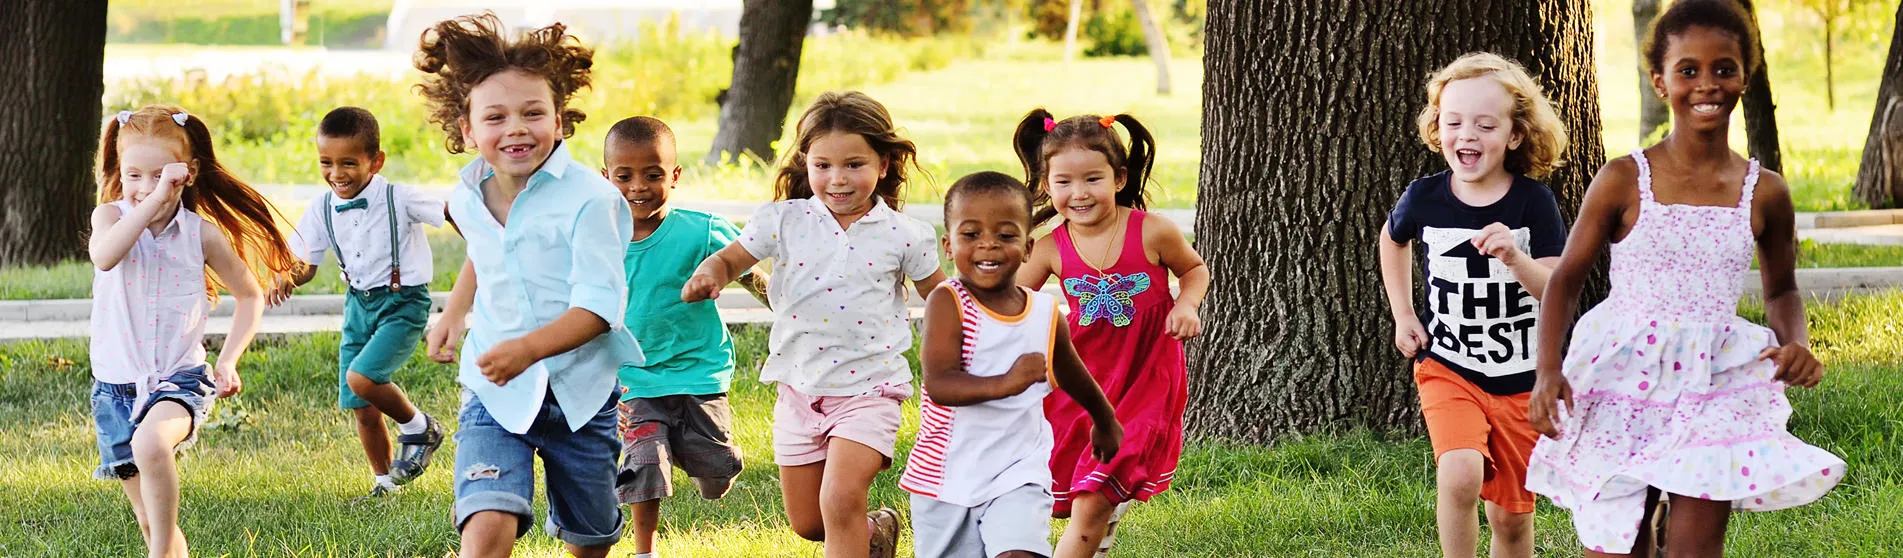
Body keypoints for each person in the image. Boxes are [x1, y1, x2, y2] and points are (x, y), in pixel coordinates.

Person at [1525, 2, 1845, 556]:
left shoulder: (1764, 190)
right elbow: (1567, 279)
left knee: (1697, 548)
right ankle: (1645, 529)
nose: (1708, 84)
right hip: (1622, 370)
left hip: (1714, 376)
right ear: (1660, 80)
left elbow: (1782, 289)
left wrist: (1797, 343)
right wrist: (1548, 370)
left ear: (1747, 75)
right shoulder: (1624, 179)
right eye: (1688, 70)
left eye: (1725, 68)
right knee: (1615, 546)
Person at [416, 13, 643, 558]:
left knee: (589, 538)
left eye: (533, 113)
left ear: (560, 121)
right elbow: (487, 249)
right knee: (487, 522)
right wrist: (453, 312)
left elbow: (597, 307)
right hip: (494, 393)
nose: (515, 128)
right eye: (495, 116)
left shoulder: (592, 200)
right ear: (467, 129)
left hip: (579, 395)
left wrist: (527, 350)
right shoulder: (468, 196)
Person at [682, 91, 945, 558]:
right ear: (806, 163)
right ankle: (874, 533)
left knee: (839, 499)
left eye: (854, 165)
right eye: (823, 166)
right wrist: (711, 274)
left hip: (870, 390)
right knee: (809, 522)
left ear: (884, 164)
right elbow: (732, 258)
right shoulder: (785, 220)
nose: (837, 179)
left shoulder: (905, 235)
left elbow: (943, 300)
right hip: (800, 391)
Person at [1378, 52, 1571, 558]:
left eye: (1486, 124)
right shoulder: (1424, 198)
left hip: (1521, 380)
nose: (1467, 134)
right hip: (1450, 366)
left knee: (1509, 519)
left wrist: (1514, 256)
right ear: (1437, 127)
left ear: (1514, 135)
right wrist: (1403, 314)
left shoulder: (1534, 203)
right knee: (1459, 472)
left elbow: (1555, 289)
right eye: (1454, 121)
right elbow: (1391, 240)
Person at [87, 105, 302, 558]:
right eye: (133, 176)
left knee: (151, 444)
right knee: (149, 517)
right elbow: (106, 256)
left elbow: (249, 295)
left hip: (179, 380)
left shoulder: (200, 234)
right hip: (114, 388)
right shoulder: (108, 219)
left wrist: (228, 359)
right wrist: (149, 203)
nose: (146, 187)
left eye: (159, 175)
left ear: (189, 173)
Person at [1012, 110, 1209, 556]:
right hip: (1081, 382)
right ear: (1046, 183)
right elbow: (1008, 300)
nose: (1078, 193)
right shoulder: (1049, 249)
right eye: (1064, 182)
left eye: (1092, 179)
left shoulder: (1152, 231)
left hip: (1147, 380)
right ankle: (1098, 534)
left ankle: (1093, 528)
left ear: (1119, 179)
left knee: (1093, 498)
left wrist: (1186, 304)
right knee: (1074, 485)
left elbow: (1194, 269)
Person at [900, 171, 1122, 558]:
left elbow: (1070, 370)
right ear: (949, 246)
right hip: (948, 478)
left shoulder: (1043, 311)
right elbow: (940, 384)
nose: (989, 245)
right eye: (971, 235)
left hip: (1019, 470)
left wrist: (1105, 420)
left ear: (1028, 246)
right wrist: (1007, 382)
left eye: (1005, 235)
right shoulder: (948, 302)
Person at [599, 115, 765, 558]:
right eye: (624, 176)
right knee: (643, 463)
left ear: (674, 175)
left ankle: (715, 463)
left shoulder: (701, 229)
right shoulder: (596, 240)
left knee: (714, 480)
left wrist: (787, 309)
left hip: (697, 372)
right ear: (606, 178)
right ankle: (644, 551)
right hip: (635, 377)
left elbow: (750, 273)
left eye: (653, 175)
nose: (639, 186)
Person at [282, 106, 446, 498]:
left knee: (363, 377)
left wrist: (484, 238)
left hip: (401, 304)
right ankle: (385, 484)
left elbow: (450, 211)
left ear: (376, 161)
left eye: (348, 163)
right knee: (362, 406)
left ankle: (420, 427)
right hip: (357, 306)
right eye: (326, 162)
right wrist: (284, 277)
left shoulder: (398, 197)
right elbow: (305, 265)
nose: (336, 173)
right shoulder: (321, 208)